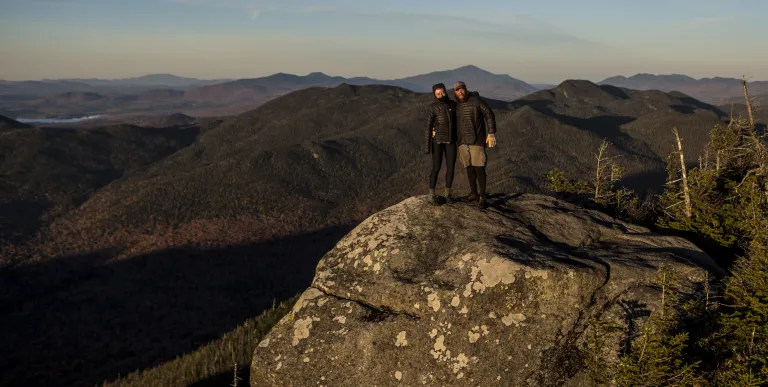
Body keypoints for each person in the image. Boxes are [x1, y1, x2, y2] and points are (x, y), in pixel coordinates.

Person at [453, 81, 497, 209]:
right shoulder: (458, 106)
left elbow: (489, 114)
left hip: (477, 141)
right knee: (469, 168)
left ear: (466, 89)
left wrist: (491, 132)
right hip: (462, 142)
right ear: (454, 92)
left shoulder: (476, 101)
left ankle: (482, 197)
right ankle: (474, 193)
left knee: (479, 169)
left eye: (462, 89)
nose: (460, 92)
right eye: (457, 90)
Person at [424, 83, 458, 205]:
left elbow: (460, 122)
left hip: (451, 141)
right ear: (434, 95)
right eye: (438, 94)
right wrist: (427, 146)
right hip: (437, 141)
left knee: (451, 168)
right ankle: (431, 194)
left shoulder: (453, 105)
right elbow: (428, 127)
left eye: (442, 92)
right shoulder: (432, 107)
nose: (441, 95)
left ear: (445, 91)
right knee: (436, 167)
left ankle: (447, 194)